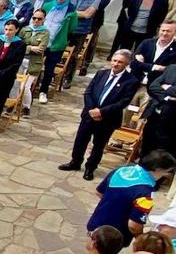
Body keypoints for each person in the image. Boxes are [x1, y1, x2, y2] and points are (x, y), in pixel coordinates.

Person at [59, 51, 141, 180]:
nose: (115, 64)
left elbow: (123, 102)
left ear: (126, 64)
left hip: (107, 119)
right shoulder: (101, 74)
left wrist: (101, 112)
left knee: (99, 145)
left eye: (120, 62)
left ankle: (90, 168)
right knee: (80, 140)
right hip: (89, 115)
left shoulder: (131, 81)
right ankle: (75, 162)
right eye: (114, 60)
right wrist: (92, 110)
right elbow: (88, 92)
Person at [141, 62, 176, 158]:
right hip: (154, 115)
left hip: (171, 122)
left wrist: (167, 87)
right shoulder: (172, 68)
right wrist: (168, 97)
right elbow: (153, 86)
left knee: (165, 153)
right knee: (146, 147)